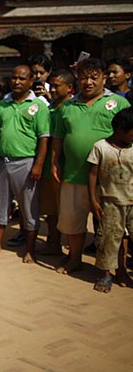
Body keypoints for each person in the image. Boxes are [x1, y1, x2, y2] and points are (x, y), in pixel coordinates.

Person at [51, 58, 130, 275]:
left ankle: (116, 268)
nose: (88, 82)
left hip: (110, 178)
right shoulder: (67, 106)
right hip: (74, 173)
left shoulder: (120, 104)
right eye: (84, 76)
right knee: (73, 222)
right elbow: (58, 136)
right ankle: (75, 258)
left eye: (94, 77)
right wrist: (55, 161)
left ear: (104, 78)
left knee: (113, 226)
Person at [0, 65, 50, 263]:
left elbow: (44, 138)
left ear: (30, 81)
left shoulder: (39, 106)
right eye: (14, 78)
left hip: (26, 163)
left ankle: (30, 248)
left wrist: (38, 165)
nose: (17, 81)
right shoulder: (4, 104)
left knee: (28, 207)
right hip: (3, 161)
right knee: (0, 204)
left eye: (22, 78)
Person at [87, 108, 133, 292]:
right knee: (109, 239)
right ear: (121, 129)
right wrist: (93, 200)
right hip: (110, 202)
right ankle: (106, 274)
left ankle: (123, 271)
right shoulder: (101, 147)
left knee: (126, 240)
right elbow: (92, 175)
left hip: (131, 201)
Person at [38, 69, 75, 254]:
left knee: (65, 208)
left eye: (56, 86)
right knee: (50, 207)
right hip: (47, 166)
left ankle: (71, 248)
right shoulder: (49, 108)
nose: (52, 89)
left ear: (69, 88)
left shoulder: (72, 108)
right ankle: (53, 242)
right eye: (50, 85)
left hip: (66, 166)